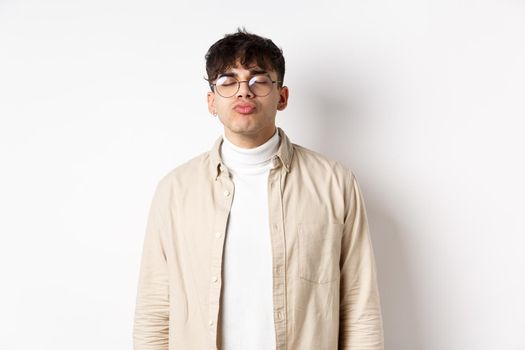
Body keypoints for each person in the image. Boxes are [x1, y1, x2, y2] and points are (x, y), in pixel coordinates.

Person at [133, 28, 384, 350]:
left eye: (258, 80)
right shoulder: (176, 190)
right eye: (228, 81)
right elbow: (155, 307)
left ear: (282, 97)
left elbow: (359, 304)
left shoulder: (334, 182)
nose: (244, 92)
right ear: (212, 101)